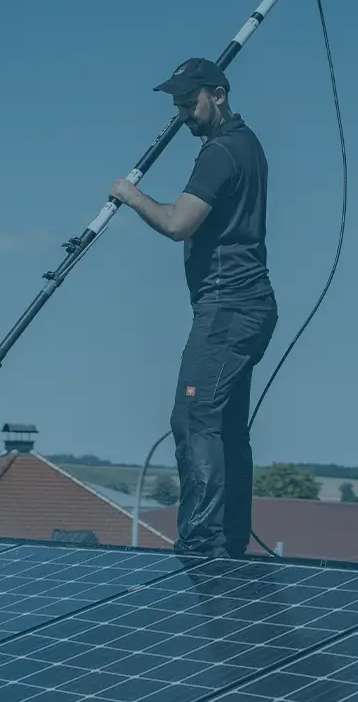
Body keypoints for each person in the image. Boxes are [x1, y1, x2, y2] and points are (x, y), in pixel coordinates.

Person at [109, 57, 278, 558]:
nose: (183, 114)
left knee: (194, 417)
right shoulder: (246, 143)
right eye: (178, 105)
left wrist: (131, 196)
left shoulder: (220, 153)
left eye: (189, 102)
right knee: (224, 425)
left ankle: (203, 543)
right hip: (247, 306)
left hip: (228, 308)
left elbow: (178, 223)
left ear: (218, 95)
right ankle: (229, 539)